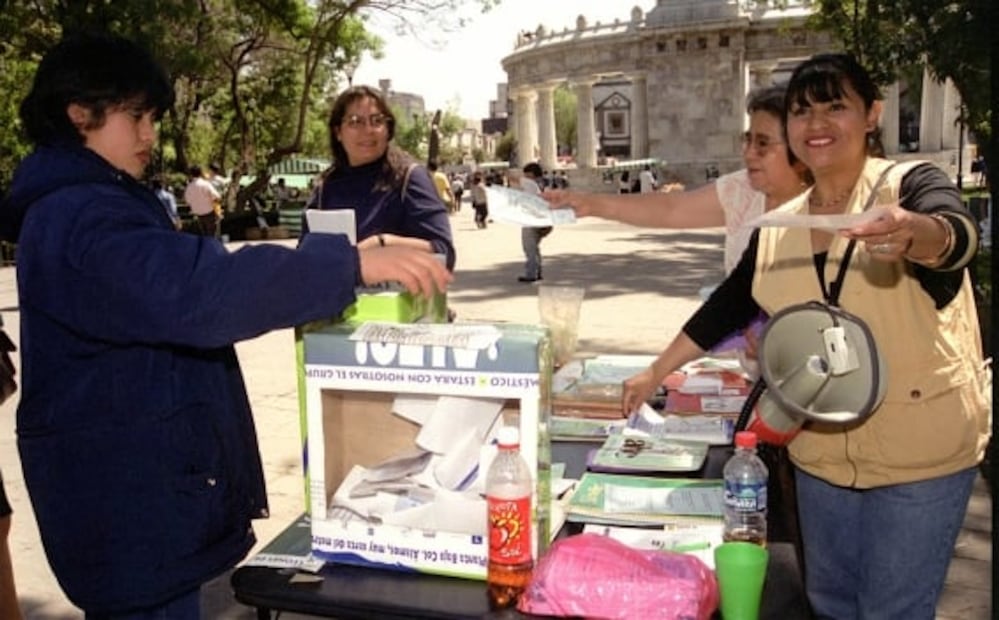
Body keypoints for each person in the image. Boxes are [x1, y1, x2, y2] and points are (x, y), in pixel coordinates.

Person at [0, 32, 451, 618]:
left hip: (137, 499)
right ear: (79, 114)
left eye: (153, 118)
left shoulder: (92, 201)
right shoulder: (78, 216)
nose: (149, 135)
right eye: (135, 116)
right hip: (127, 509)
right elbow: (199, 290)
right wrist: (349, 263)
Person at [619, 53, 987, 620]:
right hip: (821, 452)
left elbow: (955, 235)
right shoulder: (780, 225)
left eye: (835, 106)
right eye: (801, 111)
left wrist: (915, 233)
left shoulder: (908, 185)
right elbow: (726, 306)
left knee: (893, 608)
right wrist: (653, 372)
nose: (815, 124)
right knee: (830, 603)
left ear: (872, 114)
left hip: (923, 455)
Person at [547, 84, 808, 275]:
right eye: (747, 140)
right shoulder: (741, 191)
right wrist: (590, 204)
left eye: (763, 144)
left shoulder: (834, 203)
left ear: (800, 146)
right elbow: (672, 209)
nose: (749, 153)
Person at [308, 85, 455, 270]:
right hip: (337, 298)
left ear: (388, 129)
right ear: (338, 132)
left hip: (397, 297)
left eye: (376, 121)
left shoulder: (409, 179)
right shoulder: (325, 189)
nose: (368, 130)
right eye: (355, 121)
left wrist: (383, 244)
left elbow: (444, 253)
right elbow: (306, 261)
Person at [517, 162, 552, 283]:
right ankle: (537, 271)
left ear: (532, 174)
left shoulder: (531, 185)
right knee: (534, 248)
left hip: (531, 220)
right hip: (542, 220)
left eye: (527, 174)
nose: (525, 177)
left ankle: (531, 274)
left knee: (530, 248)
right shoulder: (543, 184)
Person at [183, 164, 222, 237]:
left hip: (198, 214)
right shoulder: (205, 184)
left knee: (204, 235)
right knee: (212, 235)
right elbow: (216, 196)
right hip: (209, 212)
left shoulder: (189, 187)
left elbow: (187, 201)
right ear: (200, 173)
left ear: (191, 174)